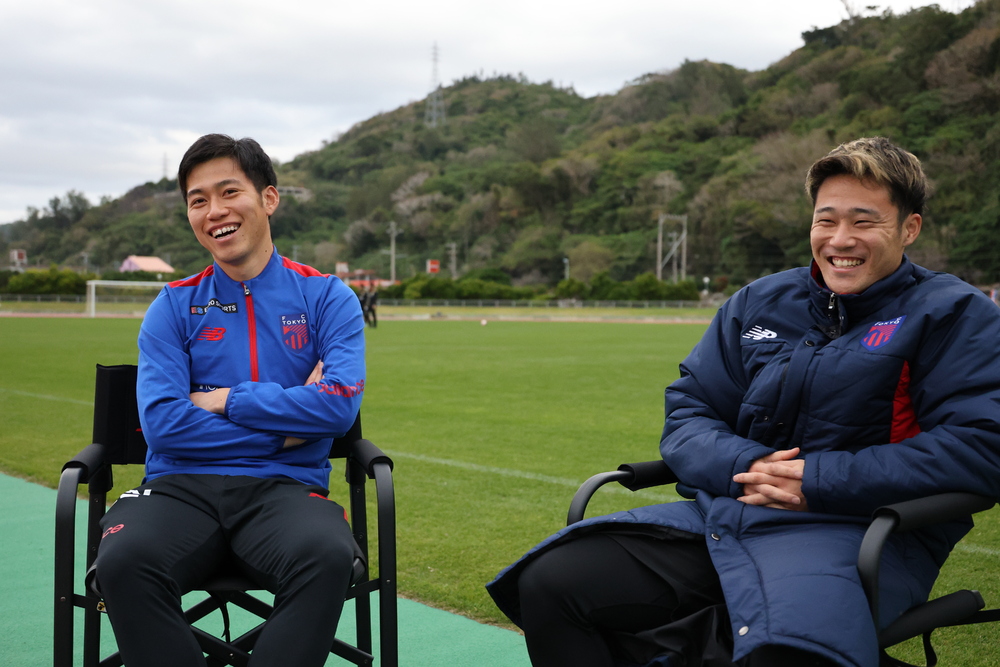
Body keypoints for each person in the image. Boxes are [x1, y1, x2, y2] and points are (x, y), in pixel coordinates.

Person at [487, 137, 1000, 667]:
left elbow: (982, 446)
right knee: (551, 583)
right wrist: (747, 466)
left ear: (909, 228)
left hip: (864, 534)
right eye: (825, 221)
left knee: (766, 650)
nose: (839, 239)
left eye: (863, 222)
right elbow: (690, 411)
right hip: (725, 516)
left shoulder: (953, 313)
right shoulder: (758, 301)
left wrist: (816, 480)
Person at [93, 134, 366, 667]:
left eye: (229, 192)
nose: (214, 211)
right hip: (176, 489)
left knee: (327, 555)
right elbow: (165, 425)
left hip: (286, 490)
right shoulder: (172, 305)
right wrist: (288, 430)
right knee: (123, 559)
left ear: (269, 198)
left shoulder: (327, 297)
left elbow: (336, 409)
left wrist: (225, 400)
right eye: (198, 200)